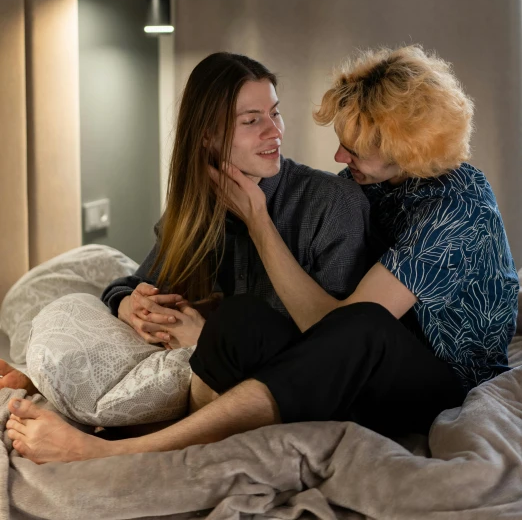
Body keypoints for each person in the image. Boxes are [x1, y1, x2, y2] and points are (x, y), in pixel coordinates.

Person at [6, 45, 518, 464]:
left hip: (440, 379)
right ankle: (135, 430)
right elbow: (143, 281)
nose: (339, 157)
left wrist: (258, 222)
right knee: (241, 319)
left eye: (354, 150)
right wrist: (126, 309)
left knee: (361, 325)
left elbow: (341, 329)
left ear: (409, 148)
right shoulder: (367, 186)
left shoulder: (453, 205)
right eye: (253, 119)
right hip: (356, 360)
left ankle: (115, 452)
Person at [0, 51, 370, 395]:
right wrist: (130, 303)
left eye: (275, 113)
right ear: (207, 135)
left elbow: (332, 348)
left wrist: (206, 339)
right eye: (251, 120)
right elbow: (133, 282)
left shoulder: (334, 203)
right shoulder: (199, 209)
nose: (274, 131)